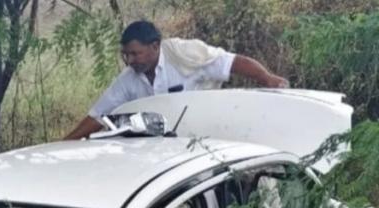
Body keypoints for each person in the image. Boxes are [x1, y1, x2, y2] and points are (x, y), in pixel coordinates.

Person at [64, 20, 290, 140]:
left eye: (135, 53)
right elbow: (99, 116)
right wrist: (64, 143)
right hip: (158, 152)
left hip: (204, 139)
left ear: (154, 46)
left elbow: (231, 63)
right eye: (126, 55)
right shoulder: (128, 79)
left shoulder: (185, 55)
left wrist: (267, 78)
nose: (129, 60)